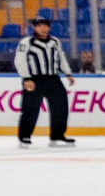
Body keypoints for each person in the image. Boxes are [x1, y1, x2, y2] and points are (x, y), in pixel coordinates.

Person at [13, 14, 74, 147]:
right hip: (34, 79)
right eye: (39, 26)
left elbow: (61, 58)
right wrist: (26, 78)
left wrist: (68, 73)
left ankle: (57, 135)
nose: (43, 28)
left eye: (46, 26)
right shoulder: (27, 42)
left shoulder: (55, 41)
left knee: (60, 107)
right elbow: (20, 61)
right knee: (30, 108)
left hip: (53, 78)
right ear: (34, 27)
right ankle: (24, 136)